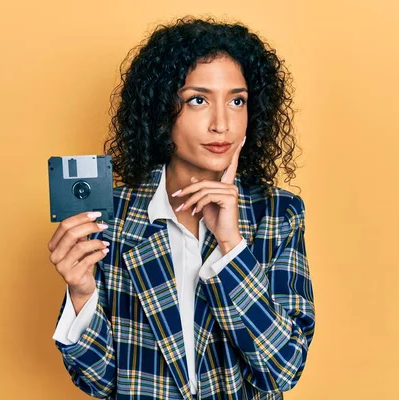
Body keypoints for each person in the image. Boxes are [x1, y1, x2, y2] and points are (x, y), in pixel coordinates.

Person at [48, 16, 315, 400]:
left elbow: (282, 370)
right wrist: (81, 293)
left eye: (237, 100)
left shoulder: (278, 214)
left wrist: (232, 247)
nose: (221, 124)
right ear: (161, 110)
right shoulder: (113, 218)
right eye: (198, 100)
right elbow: (101, 382)